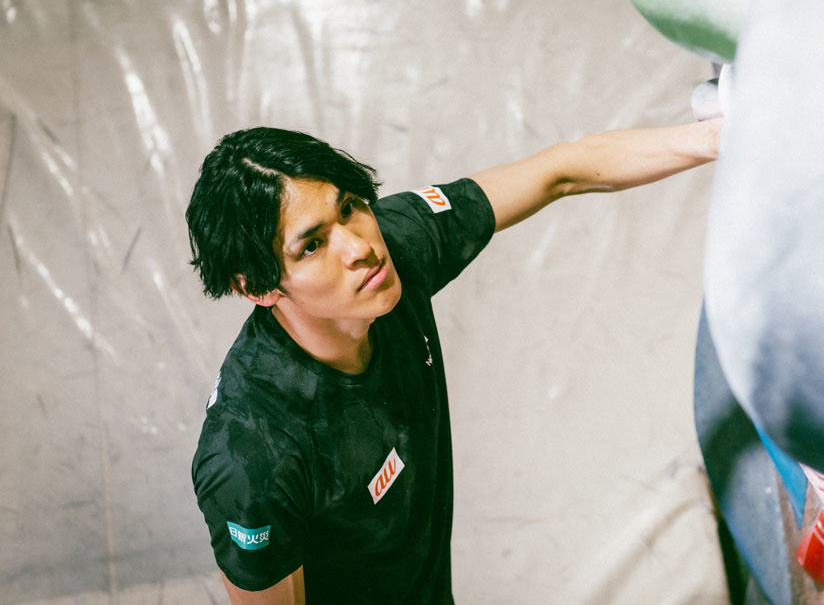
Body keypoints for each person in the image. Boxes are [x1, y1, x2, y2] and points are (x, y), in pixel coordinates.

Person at [186, 119, 722, 604]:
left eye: (348, 206)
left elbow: (561, 170)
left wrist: (722, 134)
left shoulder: (393, 248)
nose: (359, 248)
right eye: (312, 246)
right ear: (257, 287)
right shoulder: (254, 456)